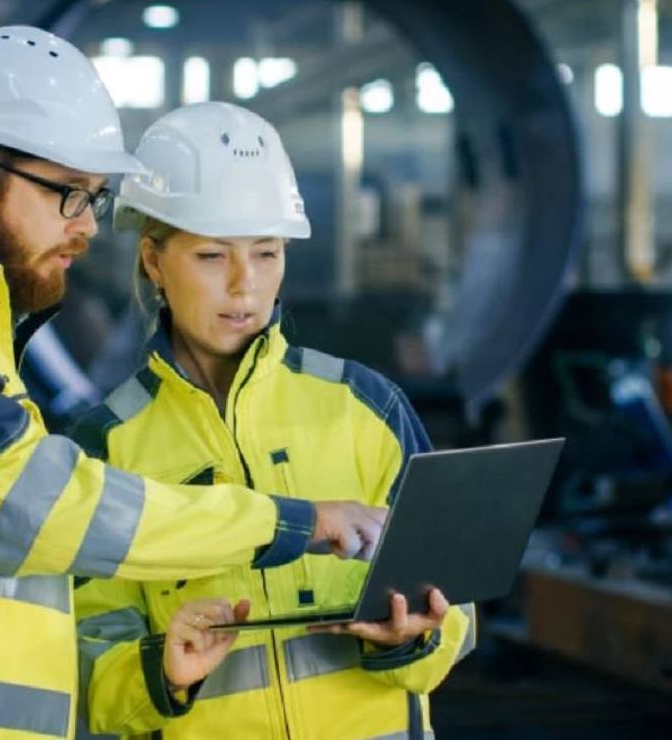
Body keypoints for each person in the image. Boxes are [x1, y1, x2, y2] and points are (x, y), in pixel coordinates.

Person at [0, 27, 384, 740]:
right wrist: (287, 522)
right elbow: (40, 510)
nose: (85, 227)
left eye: (94, 199)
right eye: (68, 194)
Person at [69, 102, 476, 739]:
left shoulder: (366, 407)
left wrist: (411, 636)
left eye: (266, 253)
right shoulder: (104, 449)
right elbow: (87, 668)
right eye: (211, 256)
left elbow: (458, 607)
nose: (245, 286)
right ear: (153, 261)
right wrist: (163, 673)